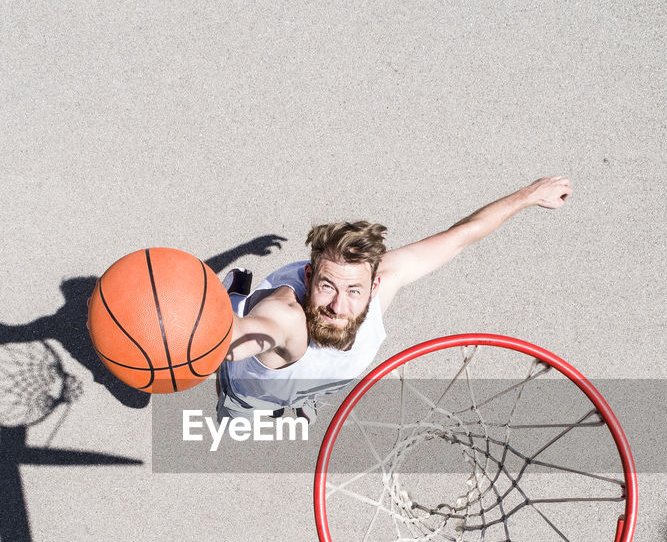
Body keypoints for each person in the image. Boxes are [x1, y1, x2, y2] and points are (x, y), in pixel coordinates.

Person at [215, 176, 572, 422]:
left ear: (374, 285)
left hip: (312, 381)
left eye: (354, 291)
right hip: (251, 393)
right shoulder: (285, 316)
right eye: (327, 287)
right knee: (236, 421)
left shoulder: (382, 279)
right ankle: (233, 294)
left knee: (312, 385)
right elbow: (234, 338)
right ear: (309, 278)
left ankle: (303, 396)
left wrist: (528, 195)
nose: (339, 307)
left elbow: (460, 236)